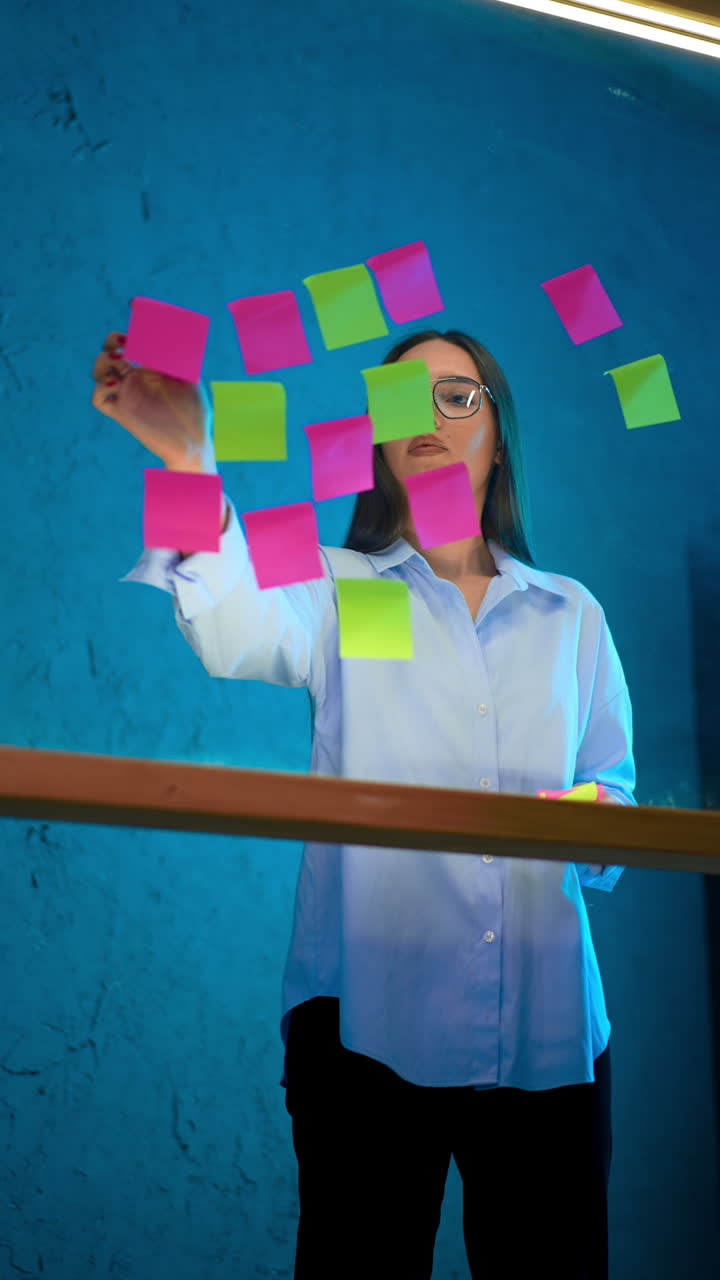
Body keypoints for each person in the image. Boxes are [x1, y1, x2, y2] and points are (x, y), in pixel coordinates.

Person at [92, 326, 636, 1280]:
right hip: (365, 1037)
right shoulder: (345, 590)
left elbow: (616, 816)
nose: (428, 418)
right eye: (401, 402)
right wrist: (188, 453)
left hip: (549, 1040)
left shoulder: (570, 614)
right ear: (376, 441)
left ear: (499, 435)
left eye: (458, 397)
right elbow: (228, 625)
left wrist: (570, 813)